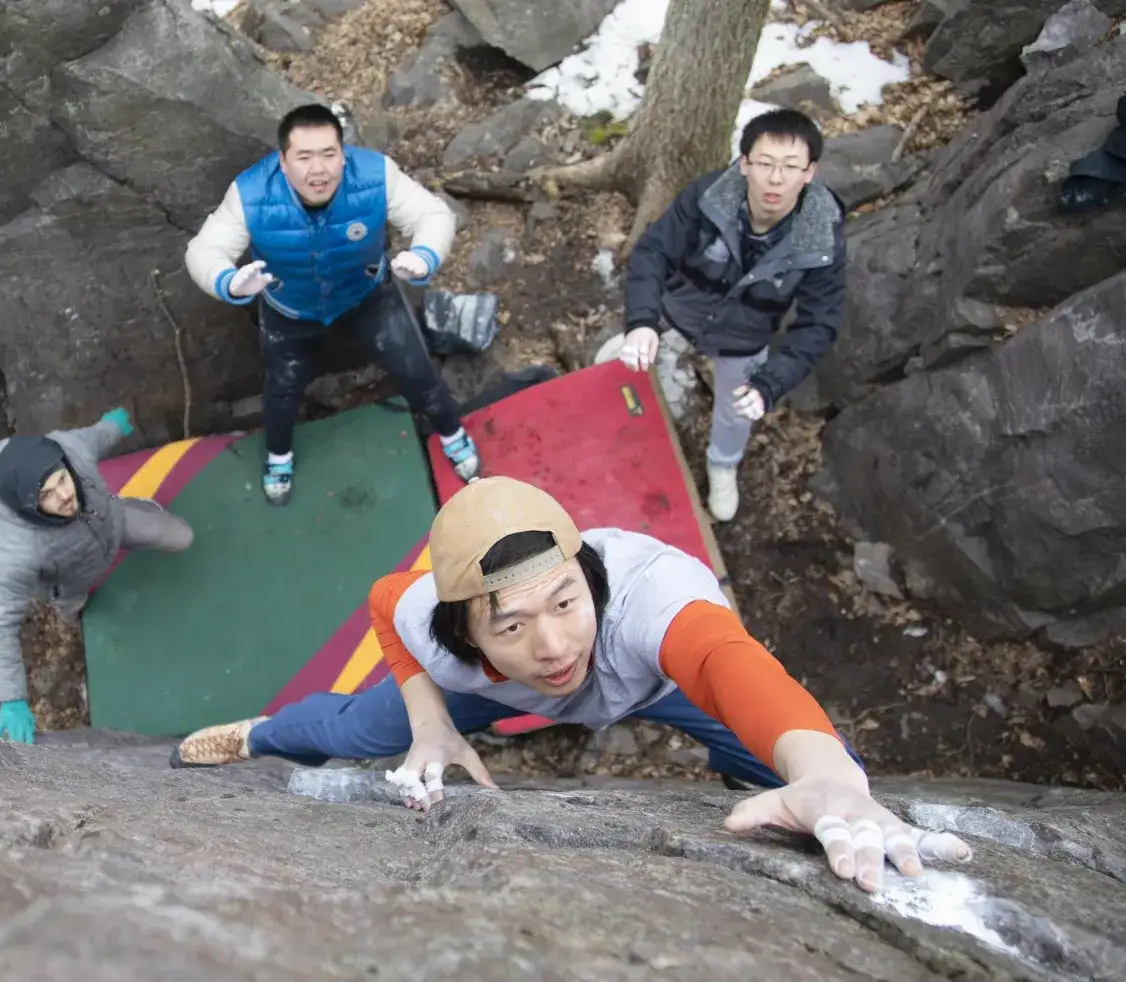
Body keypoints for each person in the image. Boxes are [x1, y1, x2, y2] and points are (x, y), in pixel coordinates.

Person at [170, 476, 971, 893]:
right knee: (355, 734)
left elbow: (731, 662)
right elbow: (387, 602)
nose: (555, 647)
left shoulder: (651, 597)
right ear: (468, 628)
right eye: (512, 624)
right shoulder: (439, 630)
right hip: (488, 693)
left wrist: (827, 779)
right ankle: (261, 732)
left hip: (651, 683)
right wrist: (428, 717)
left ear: (590, 577)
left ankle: (763, 774)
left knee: (805, 766)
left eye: (565, 602)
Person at [185, 103, 481, 506]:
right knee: (282, 387)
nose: (318, 169)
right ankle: (279, 454)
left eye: (328, 154)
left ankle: (451, 431)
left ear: (344, 154)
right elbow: (205, 249)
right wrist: (229, 282)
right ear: (283, 161)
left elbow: (431, 214)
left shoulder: (375, 174)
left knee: (414, 367)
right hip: (290, 310)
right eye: (304, 157)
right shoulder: (251, 192)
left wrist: (425, 254)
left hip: (366, 296)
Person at [620, 108, 847, 522]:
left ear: (809, 172)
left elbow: (819, 321)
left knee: (736, 409)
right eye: (765, 164)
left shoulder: (822, 237)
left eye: (790, 166)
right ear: (745, 163)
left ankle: (723, 463)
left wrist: (770, 383)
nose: (775, 179)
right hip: (682, 305)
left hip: (746, 334)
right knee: (619, 359)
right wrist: (641, 322)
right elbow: (654, 250)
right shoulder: (710, 197)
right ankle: (627, 377)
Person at [0, 408, 194, 744]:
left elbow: (94, 436)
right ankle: (74, 609)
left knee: (182, 537)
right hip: (69, 580)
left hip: (113, 523)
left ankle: (130, 504)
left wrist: (112, 426)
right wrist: (12, 700)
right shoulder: (12, 552)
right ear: (25, 505)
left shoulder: (67, 449)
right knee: (74, 609)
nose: (64, 496)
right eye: (45, 495)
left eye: (62, 480)